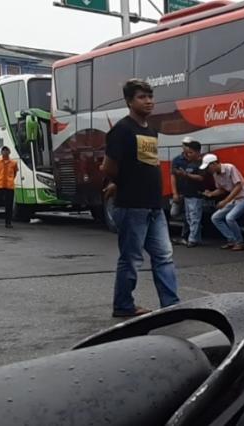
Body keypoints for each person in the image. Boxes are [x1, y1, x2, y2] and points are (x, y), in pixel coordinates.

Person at [101, 78, 180, 318]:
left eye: (150, 96)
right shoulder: (122, 130)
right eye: (141, 97)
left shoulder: (150, 130)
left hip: (154, 205)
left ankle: (172, 306)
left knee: (164, 257)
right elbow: (108, 167)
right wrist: (122, 183)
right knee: (132, 259)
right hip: (131, 205)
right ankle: (123, 305)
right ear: (129, 101)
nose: (148, 101)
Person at [200, 153, 244, 251]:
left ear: (214, 164)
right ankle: (231, 240)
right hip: (234, 200)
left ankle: (239, 242)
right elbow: (221, 189)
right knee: (215, 217)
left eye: (208, 167)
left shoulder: (230, 168)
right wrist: (211, 194)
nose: (207, 170)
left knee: (230, 218)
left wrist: (225, 201)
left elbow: (238, 186)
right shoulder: (215, 175)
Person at [170, 138, 204, 248]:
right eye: (187, 152)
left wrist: (186, 175)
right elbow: (174, 176)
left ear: (198, 152)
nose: (188, 154)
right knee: (189, 218)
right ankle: (194, 238)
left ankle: (192, 239)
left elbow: (201, 178)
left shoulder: (201, 163)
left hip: (195, 195)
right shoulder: (187, 163)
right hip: (186, 194)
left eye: (191, 152)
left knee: (194, 218)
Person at [0, 146, 18, 228]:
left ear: (9, 152)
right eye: (3, 150)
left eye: (6, 150)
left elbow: (14, 173)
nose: (5, 152)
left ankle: (8, 222)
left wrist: (10, 180)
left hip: (9, 187)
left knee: (9, 205)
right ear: (1, 152)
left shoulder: (14, 163)